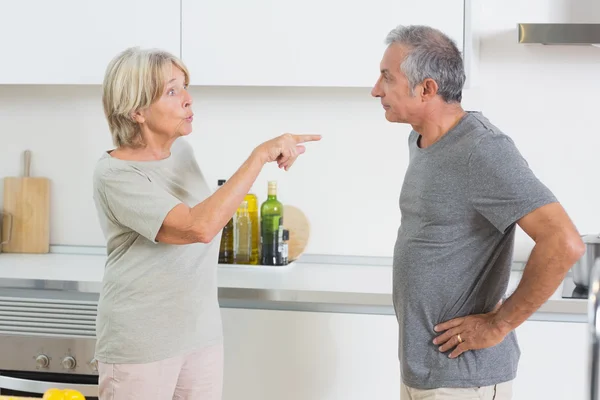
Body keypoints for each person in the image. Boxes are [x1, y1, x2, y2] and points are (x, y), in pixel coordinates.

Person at [92, 47, 320, 400]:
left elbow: (211, 215)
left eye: (184, 87)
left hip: (200, 335)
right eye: (172, 91)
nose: (187, 98)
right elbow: (197, 227)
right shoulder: (117, 174)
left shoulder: (182, 153)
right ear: (136, 109)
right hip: (142, 344)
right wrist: (259, 157)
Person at [371, 25, 585, 399]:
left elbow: (564, 242)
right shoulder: (421, 139)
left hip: (463, 378)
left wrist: (498, 325)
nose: (376, 89)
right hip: (424, 370)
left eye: (387, 78)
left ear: (427, 89)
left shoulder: (482, 150)